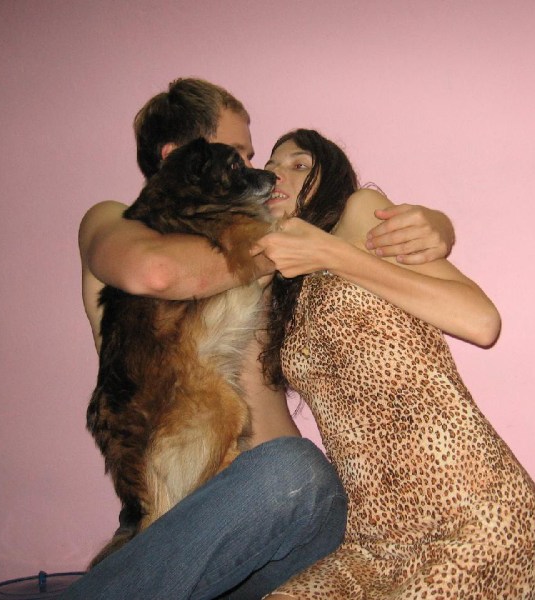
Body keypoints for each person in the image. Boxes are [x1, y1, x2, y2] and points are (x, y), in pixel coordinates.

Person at [65, 79, 456, 599]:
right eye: (238, 154)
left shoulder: (268, 231)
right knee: (294, 470)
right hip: (180, 513)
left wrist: (437, 225)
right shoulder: (115, 221)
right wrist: (278, 251)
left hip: (290, 520)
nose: (256, 171)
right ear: (178, 155)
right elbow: (155, 272)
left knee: (330, 499)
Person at [254, 129, 535, 599]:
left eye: (299, 165)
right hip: (371, 542)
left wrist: (333, 253)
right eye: (270, 168)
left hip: (476, 517)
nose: (278, 175)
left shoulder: (357, 212)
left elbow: (480, 321)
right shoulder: (282, 286)